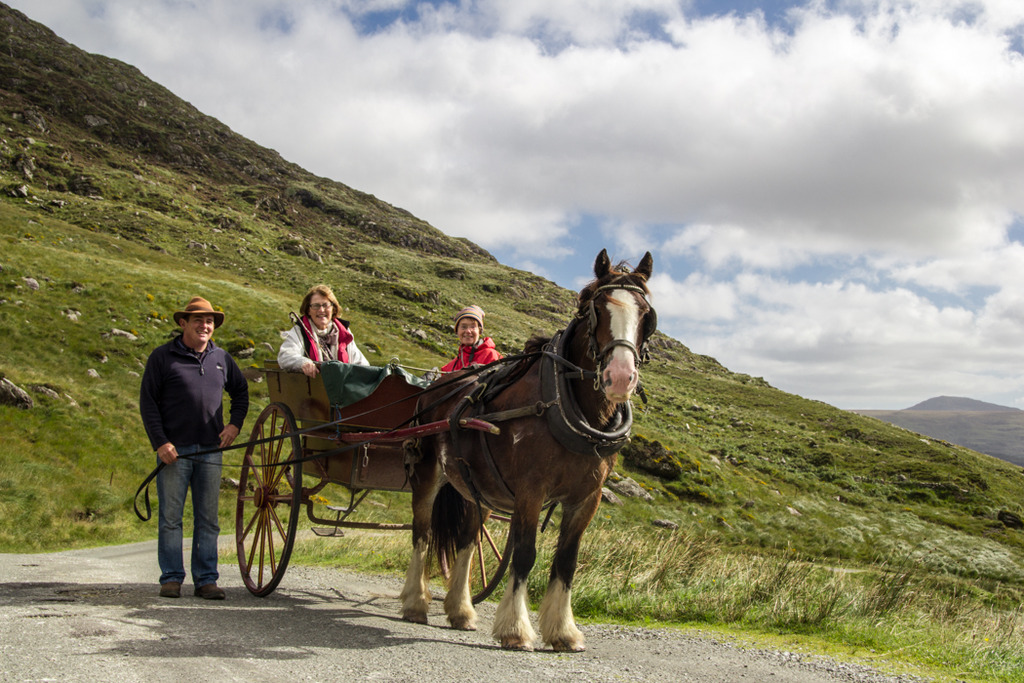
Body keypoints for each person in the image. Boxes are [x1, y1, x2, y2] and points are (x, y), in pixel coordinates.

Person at [139, 296, 249, 600]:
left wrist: (234, 425)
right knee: (171, 518)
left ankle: (206, 580)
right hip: (174, 452)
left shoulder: (222, 358)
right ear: (183, 323)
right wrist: (161, 442)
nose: (205, 326)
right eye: (198, 320)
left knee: (208, 519)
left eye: (209, 321)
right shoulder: (162, 357)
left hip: (210, 450)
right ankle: (171, 578)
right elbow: (148, 403)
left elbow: (241, 392)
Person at [278, 284, 369, 376]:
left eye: (326, 305)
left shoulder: (344, 332)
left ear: (333, 309)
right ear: (308, 310)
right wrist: (303, 363)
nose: (321, 310)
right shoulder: (300, 331)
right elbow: (285, 356)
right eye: (316, 306)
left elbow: (362, 364)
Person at [441, 305, 502, 372]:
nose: (468, 331)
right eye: (464, 327)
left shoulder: (491, 356)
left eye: (473, 327)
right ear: (457, 331)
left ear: (479, 331)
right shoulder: (448, 368)